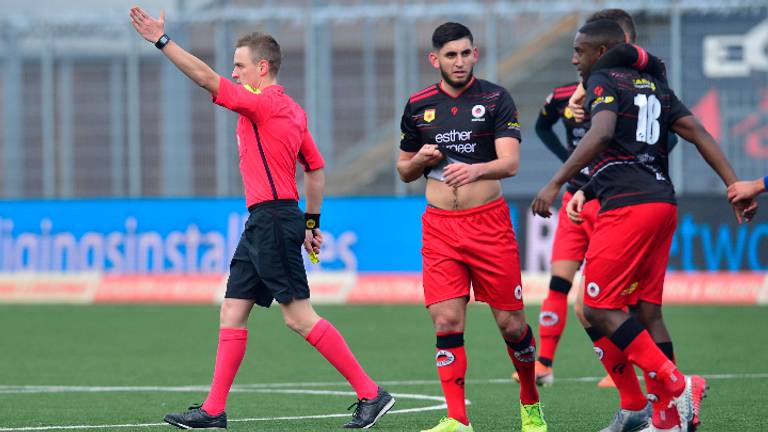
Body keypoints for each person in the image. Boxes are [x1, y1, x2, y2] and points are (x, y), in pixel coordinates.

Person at [128, 7, 394, 429]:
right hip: (269, 220)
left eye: (239, 65)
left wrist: (162, 41)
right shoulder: (293, 110)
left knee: (298, 316)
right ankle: (214, 412)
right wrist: (310, 224)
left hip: (271, 220)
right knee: (232, 310)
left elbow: (204, 79)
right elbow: (317, 167)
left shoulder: (263, 103)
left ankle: (370, 393)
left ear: (262, 67)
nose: (234, 73)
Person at [532, 19, 757, 432]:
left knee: (596, 307)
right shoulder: (654, 85)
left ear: (600, 53)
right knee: (646, 311)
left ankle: (677, 385)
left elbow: (600, 135)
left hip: (628, 208)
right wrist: (733, 185)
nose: (573, 59)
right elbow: (697, 132)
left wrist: (557, 182)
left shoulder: (603, 79)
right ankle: (665, 419)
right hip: (660, 203)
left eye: (580, 51)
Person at [397, 22, 546, 432]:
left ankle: (530, 400)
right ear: (435, 60)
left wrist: (475, 169)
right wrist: (421, 162)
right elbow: (403, 170)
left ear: (474, 54)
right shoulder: (418, 105)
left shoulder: (496, 98)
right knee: (446, 320)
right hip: (440, 227)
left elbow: (510, 163)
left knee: (512, 324)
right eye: (450, 55)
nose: (459, 61)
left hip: (488, 225)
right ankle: (457, 418)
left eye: (465, 53)